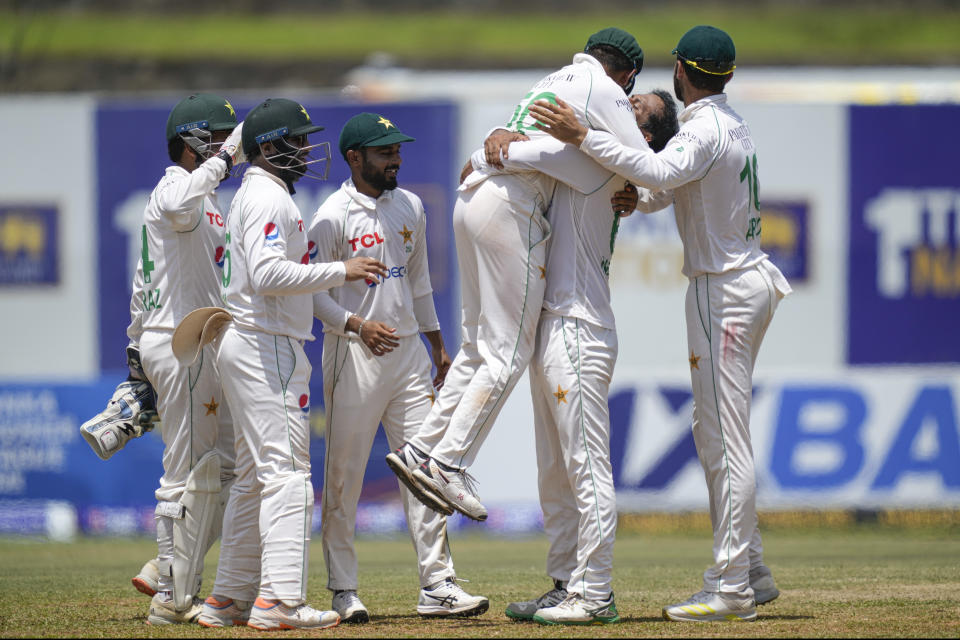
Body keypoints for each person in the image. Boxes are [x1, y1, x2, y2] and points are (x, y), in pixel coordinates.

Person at [528, 24, 790, 623]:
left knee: (724, 436)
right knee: (716, 431)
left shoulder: (701, 128)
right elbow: (672, 186)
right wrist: (637, 199)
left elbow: (662, 172)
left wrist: (583, 134)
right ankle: (749, 567)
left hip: (721, 288)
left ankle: (733, 586)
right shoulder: (730, 125)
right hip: (740, 280)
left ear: (680, 71)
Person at [389, 27, 648, 524]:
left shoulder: (552, 80)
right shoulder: (607, 90)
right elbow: (639, 162)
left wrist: (495, 151)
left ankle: (421, 448)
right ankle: (448, 462)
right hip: (511, 205)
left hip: (475, 198)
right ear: (628, 74)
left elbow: (541, 149)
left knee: (477, 345)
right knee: (509, 350)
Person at [462, 90, 678, 625]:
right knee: (554, 472)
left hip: (579, 329)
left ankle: (596, 591)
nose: (620, 104)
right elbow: (652, 185)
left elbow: (663, 179)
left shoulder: (599, 159)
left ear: (642, 137)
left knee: (584, 466)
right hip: (554, 326)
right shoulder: (601, 160)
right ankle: (564, 584)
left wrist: (499, 145)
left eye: (634, 109)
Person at [194, 98, 387, 632]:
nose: (307, 150)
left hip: (258, 341)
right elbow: (268, 274)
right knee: (289, 478)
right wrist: (341, 267)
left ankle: (228, 598)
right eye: (298, 141)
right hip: (265, 344)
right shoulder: (267, 197)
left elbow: (279, 278)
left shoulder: (263, 194)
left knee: (257, 478)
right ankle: (279, 601)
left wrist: (343, 306)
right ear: (270, 147)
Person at [308, 113, 489, 623]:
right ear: (354, 157)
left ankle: (437, 584)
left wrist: (437, 345)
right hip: (355, 356)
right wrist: (354, 326)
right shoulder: (330, 217)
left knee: (424, 475)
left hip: (409, 356)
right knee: (343, 477)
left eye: (397, 150)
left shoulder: (409, 205)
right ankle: (343, 589)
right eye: (385, 152)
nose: (396, 159)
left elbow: (419, 282)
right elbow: (313, 295)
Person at [118, 93, 245, 626]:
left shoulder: (206, 199)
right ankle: (170, 589)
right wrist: (226, 160)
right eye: (217, 138)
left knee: (231, 468)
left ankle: (166, 566)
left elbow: (145, 278)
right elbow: (174, 207)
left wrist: (132, 345)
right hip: (180, 339)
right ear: (194, 142)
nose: (226, 147)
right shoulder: (174, 185)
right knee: (187, 466)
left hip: (191, 337)